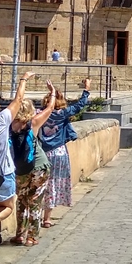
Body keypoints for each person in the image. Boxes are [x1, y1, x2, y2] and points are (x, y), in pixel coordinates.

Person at [0, 71, 34, 264]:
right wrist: (24, 79)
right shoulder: (2, 120)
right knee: (8, 208)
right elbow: (19, 98)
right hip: (4, 173)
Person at [39, 79, 91, 230]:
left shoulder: (40, 114)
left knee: (43, 185)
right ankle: (47, 218)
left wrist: (52, 92)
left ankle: (37, 215)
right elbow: (80, 105)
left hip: (43, 153)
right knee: (55, 183)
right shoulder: (63, 114)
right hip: (59, 153)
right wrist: (86, 89)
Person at [10, 80, 56, 246]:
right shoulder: (33, 123)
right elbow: (50, 108)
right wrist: (52, 93)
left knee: (22, 201)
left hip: (19, 169)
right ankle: (32, 237)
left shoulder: (9, 124)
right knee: (35, 202)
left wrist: (22, 81)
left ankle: (19, 235)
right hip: (39, 167)